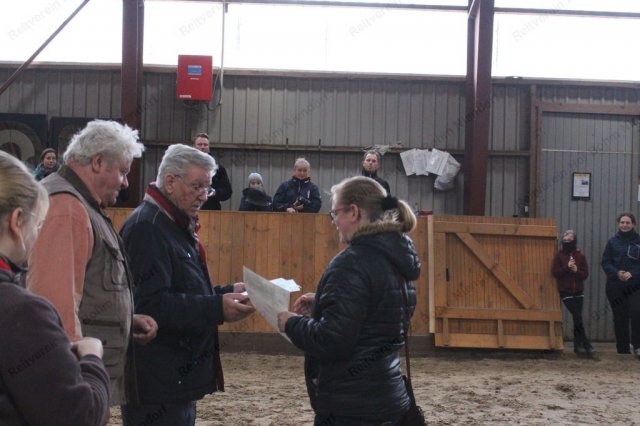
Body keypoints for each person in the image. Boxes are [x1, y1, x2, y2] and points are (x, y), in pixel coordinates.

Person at [119, 144, 256, 425]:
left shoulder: (173, 224)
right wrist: (217, 307)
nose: (203, 196)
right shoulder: (148, 227)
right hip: (157, 381)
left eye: (207, 188)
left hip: (174, 376)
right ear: (170, 182)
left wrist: (225, 293)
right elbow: (149, 305)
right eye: (197, 187)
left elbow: (183, 291)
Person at [27, 120, 158, 405]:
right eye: (123, 171)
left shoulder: (78, 204)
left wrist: (123, 318)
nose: (125, 182)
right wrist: (71, 392)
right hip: (74, 383)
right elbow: (54, 306)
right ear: (98, 162)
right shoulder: (67, 208)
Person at [277, 176, 420, 424]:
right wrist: (323, 302)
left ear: (353, 212)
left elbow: (331, 341)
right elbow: (378, 313)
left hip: (352, 404)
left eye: (335, 213)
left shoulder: (351, 263)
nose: (334, 222)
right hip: (389, 395)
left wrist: (291, 323)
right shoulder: (398, 257)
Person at [0, 151, 110, 425]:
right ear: (16, 221)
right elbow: (79, 416)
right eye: (37, 224)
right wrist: (91, 359)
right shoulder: (21, 313)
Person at [601, 212, 640, 356]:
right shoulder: (612, 242)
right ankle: (623, 349)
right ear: (618, 224)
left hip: (635, 285)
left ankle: (638, 346)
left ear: (633, 224)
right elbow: (605, 262)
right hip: (615, 286)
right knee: (619, 316)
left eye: (628, 222)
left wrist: (633, 273)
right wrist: (617, 273)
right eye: (622, 222)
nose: (625, 225)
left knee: (636, 313)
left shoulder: (639, 241)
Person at [551, 229, 595, 355]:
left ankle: (578, 346)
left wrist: (576, 271)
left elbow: (585, 274)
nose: (567, 242)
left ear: (574, 240)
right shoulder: (559, 256)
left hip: (578, 291)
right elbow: (555, 273)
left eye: (570, 240)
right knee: (577, 315)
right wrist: (567, 267)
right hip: (565, 291)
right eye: (565, 240)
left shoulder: (580, 256)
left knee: (577, 317)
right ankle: (585, 343)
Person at [193, 133, 232, 210]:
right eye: (199, 144)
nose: (202, 147)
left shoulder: (218, 168)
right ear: (194, 146)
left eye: (205, 144)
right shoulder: (185, 166)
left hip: (211, 210)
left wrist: (214, 192)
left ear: (209, 147)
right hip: (189, 209)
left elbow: (227, 191)